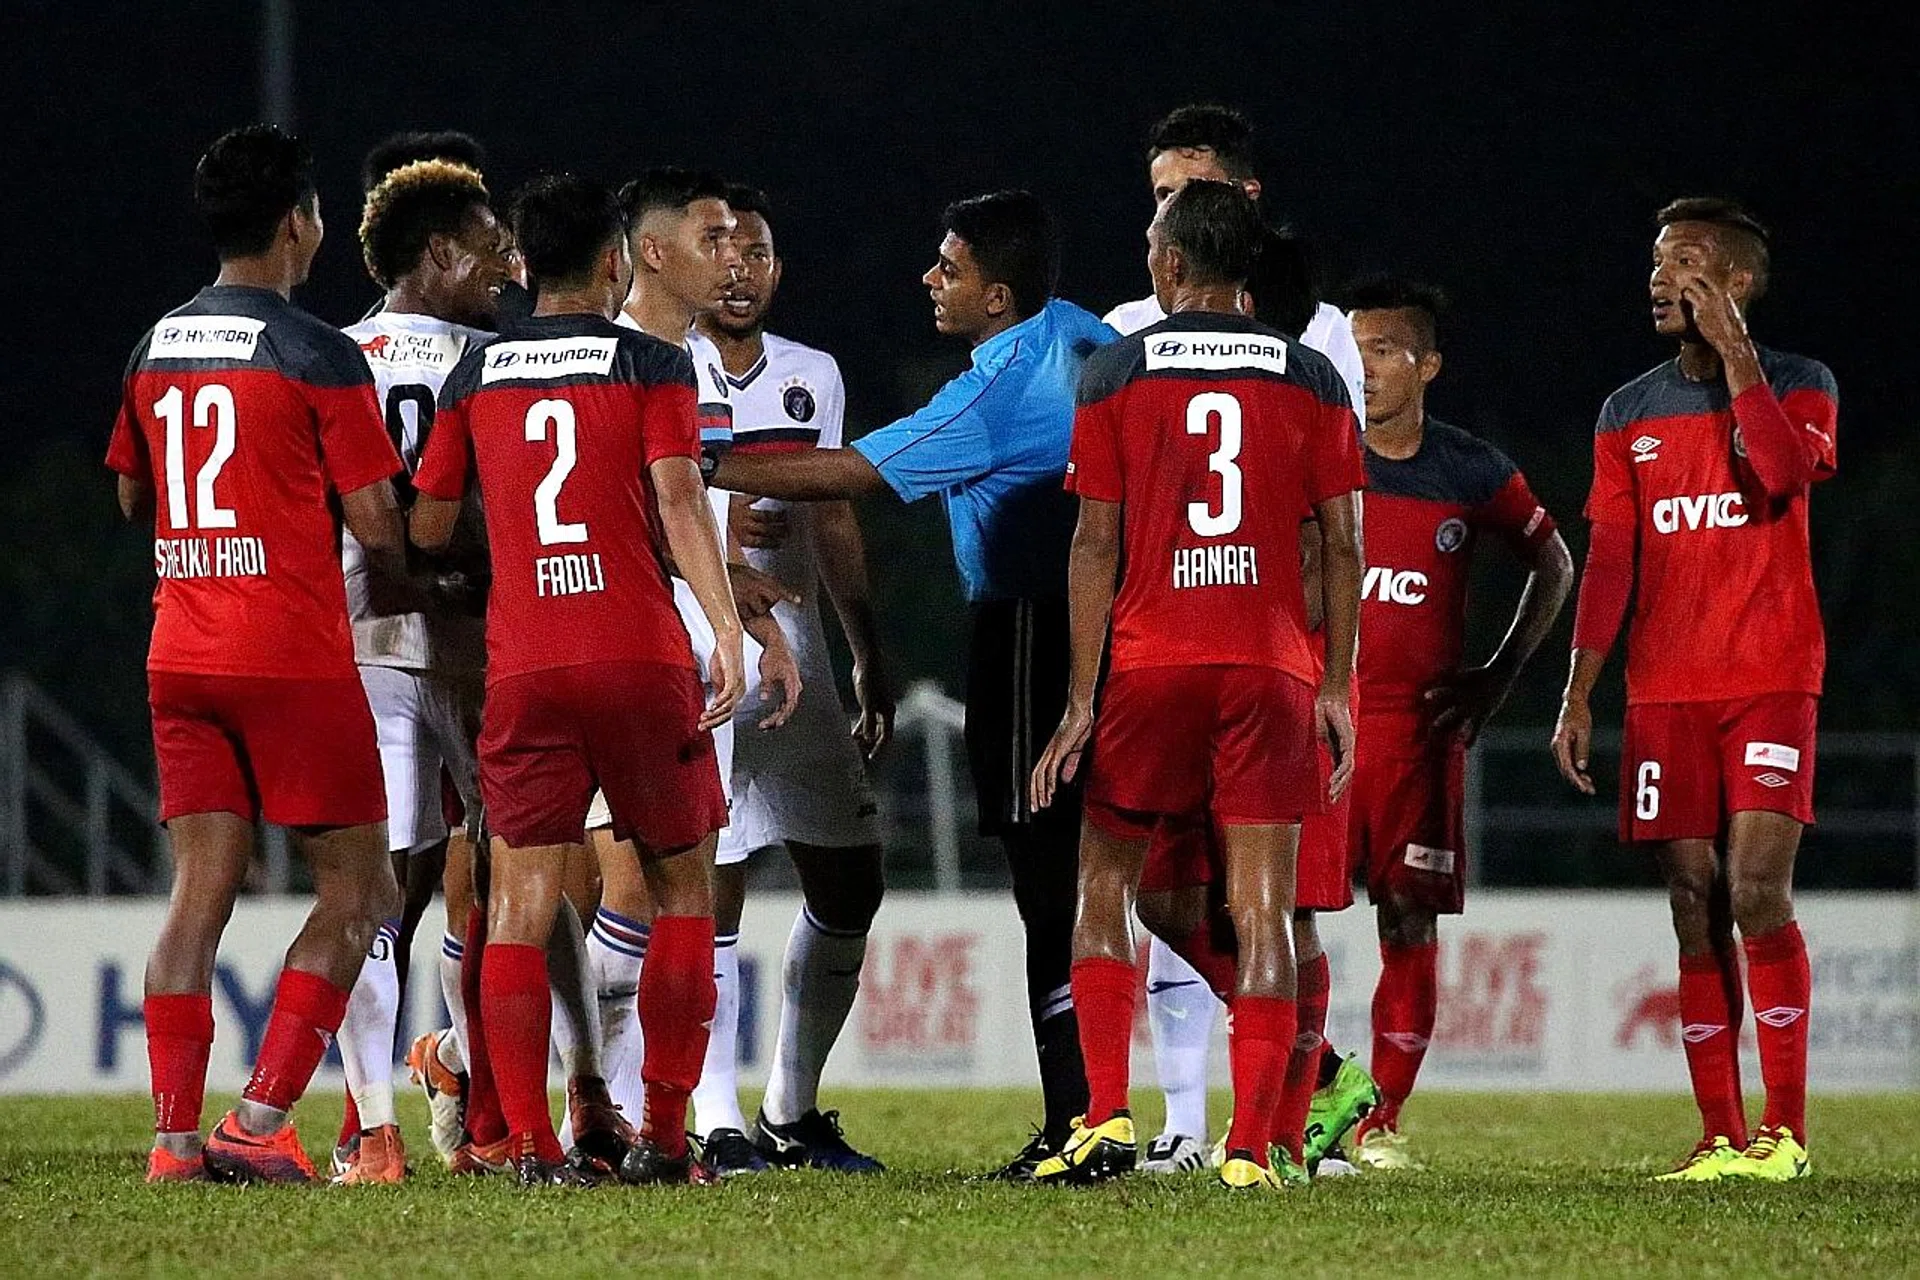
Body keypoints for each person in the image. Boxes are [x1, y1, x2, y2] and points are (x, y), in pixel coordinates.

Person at [709, 190, 1117, 1177]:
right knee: (1141, 877)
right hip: (1126, 623)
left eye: (949, 267)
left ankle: (1082, 1119)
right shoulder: (1094, 338)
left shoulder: (998, 385)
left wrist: (699, 463)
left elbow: (854, 476)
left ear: (997, 293)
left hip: (1032, 627)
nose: (929, 279)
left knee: (1045, 883)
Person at [1028, 179, 1364, 1190]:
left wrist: (1081, 698)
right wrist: (1338, 684)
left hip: (1152, 660)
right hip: (1269, 665)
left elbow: (1093, 541)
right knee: (1263, 909)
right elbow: (1342, 543)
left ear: (1171, 265)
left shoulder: (1114, 370)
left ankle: (1103, 1118)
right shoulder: (1312, 377)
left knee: (1103, 885)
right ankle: (1255, 1147)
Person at [410, 173, 743, 1186]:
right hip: (638, 654)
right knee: (685, 886)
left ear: (523, 263)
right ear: (615, 262)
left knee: (516, 900)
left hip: (527, 665)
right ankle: (667, 1134)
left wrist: (502, 542)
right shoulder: (651, 361)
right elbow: (680, 497)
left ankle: (530, 1145)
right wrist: (726, 627)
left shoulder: (478, 374)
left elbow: (426, 526)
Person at [110, 125, 405, 1184]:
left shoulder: (156, 341)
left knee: (197, 894)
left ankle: (175, 1140)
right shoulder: (318, 348)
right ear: (298, 223)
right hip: (286, 651)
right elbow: (376, 524)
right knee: (362, 889)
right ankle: (260, 1114)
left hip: (179, 647)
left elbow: (134, 493)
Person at [1554, 198, 1833, 1184]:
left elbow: (1783, 472)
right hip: (1665, 690)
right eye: (1656, 260)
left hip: (1769, 676)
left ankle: (1784, 1132)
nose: (1659, 279)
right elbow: (1611, 558)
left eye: (1685, 262)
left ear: (1738, 282)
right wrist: (1579, 690)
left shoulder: (1802, 383)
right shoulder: (1626, 410)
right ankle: (1718, 1135)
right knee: (1692, 899)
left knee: (1758, 886)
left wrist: (1741, 358)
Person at [576, 170, 801, 1172]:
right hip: (618, 652)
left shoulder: (694, 362)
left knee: (670, 894)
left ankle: (604, 1110)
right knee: (628, 895)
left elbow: (698, 523)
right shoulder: (615, 359)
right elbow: (655, 521)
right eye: (714, 237)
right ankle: (577, 1104)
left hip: (689, 656)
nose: (734, 255)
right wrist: (722, 626)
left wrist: (754, 623)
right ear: (654, 252)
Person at [1337, 277, 1572, 1168]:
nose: (1365, 367)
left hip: (1415, 734)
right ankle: (1293, 1105)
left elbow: (1553, 561)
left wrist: (1498, 678)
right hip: (1317, 724)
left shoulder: (1471, 470)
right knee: (1278, 918)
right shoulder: (1315, 452)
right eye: (1354, 346)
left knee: (1405, 918)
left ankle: (1381, 1124)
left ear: (1428, 365)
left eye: (1386, 350)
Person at [690, 184, 892, 1173]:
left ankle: (791, 1108)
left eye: (758, 252)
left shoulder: (814, 373)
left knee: (853, 877)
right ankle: (715, 1114)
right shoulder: (661, 363)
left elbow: (840, 518)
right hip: (705, 654)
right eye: (721, 248)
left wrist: (868, 655)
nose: (739, 268)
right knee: (711, 886)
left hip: (803, 661)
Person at [328, 157, 510, 1184]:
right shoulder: (501, 358)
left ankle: (378, 1128)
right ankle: (484, 1105)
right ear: (438, 251)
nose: (504, 261)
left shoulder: (334, 354)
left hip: (368, 642)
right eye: (486, 243)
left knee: (380, 887)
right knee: (513, 870)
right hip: (480, 645)